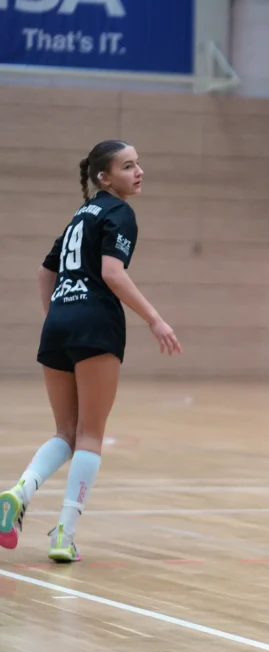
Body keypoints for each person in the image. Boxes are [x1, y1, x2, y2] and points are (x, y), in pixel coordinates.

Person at [0, 140, 182, 563]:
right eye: (128, 166)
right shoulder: (120, 213)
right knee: (90, 434)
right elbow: (112, 273)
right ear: (105, 178)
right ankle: (64, 534)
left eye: (138, 164)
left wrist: (59, 316)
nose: (139, 171)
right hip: (96, 323)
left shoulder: (79, 217)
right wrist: (155, 318)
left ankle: (19, 492)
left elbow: (44, 272)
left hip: (58, 324)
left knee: (65, 432)